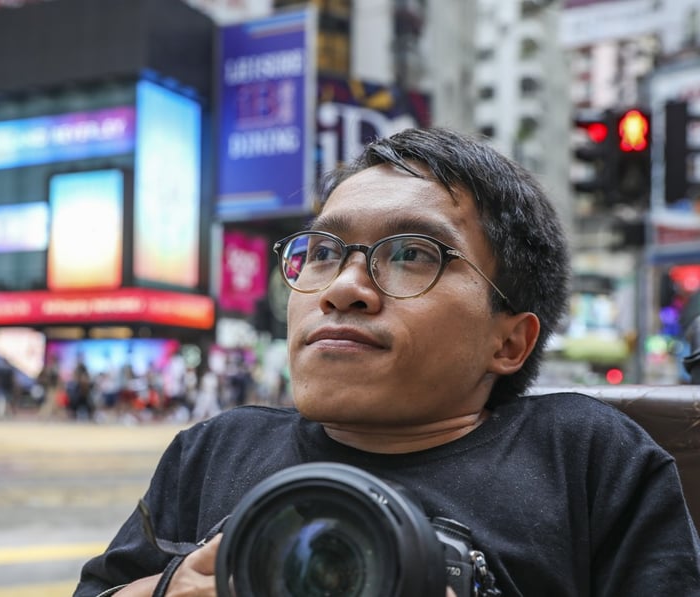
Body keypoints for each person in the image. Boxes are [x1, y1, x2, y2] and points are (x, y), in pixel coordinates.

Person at [75, 127, 700, 596]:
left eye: (411, 254)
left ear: (509, 342)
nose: (342, 287)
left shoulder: (585, 458)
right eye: (322, 250)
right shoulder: (211, 453)